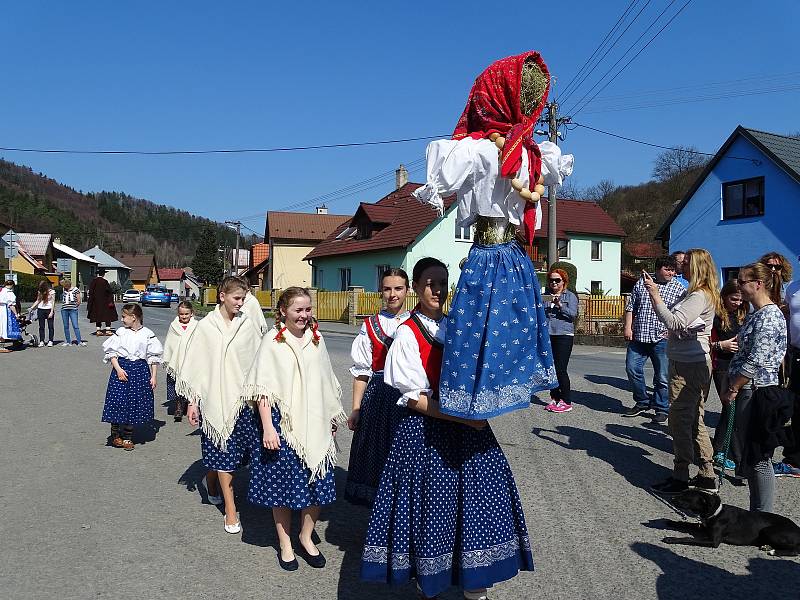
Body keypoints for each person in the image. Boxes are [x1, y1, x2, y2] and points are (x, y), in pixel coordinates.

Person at [413, 50, 572, 420]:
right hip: (508, 256)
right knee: (494, 326)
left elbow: (446, 172)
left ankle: (477, 393)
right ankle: (480, 394)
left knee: (485, 327)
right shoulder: (507, 152)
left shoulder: (518, 152)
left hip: (493, 254)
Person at [361, 258, 533, 600]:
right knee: (434, 515)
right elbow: (413, 400)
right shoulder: (407, 334)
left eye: (442, 282)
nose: (437, 289)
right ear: (416, 288)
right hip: (428, 433)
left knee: (479, 508)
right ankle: (432, 584)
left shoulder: (458, 326)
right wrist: (464, 418)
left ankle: (476, 586)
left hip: (468, 430)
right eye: (429, 283)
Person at [243, 287, 345, 570]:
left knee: (318, 484)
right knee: (283, 487)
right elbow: (262, 389)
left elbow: (325, 381)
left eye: (307, 309)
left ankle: (306, 536)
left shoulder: (317, 339)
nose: (304, 315)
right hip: (281, 423)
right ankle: (285, 543)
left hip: (315, 420)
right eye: (298, 310)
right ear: (283, 312)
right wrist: (267, 428)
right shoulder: (271, 342)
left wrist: (330, 418)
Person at [180, 276, 261, 534]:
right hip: (214, 399)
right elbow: (197, 366)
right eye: (237, 298)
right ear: (222, 295)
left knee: (234, 457)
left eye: (243, 299)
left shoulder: (247, 325)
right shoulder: (206, 327)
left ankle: (211, 480)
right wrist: (193, 401)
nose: (241, 303)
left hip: (242, 402)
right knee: (224, 455)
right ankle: (230, 509)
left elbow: (257, 362)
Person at [645, 249, 722, 495]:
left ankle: (682, 474)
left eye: (686, 263)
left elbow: (675, 322)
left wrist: (655, 295)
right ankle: (706, 473)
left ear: (697, 267)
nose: (681, 267)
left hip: (689, 364)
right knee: (694, 419)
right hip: (690, 361)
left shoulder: (699, 295)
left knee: (679, 420)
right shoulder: (698, 293)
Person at [721, 262, 789, 511]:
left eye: (742, 281)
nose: (738, 285)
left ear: (757, 284)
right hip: (749, 389)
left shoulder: (770, 316)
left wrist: (734, 387)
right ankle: (755, 514)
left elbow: (756, 359)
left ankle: (763, 515)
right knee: (751, 455)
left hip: (758, 391)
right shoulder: (755, 314)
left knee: (760, 457)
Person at [345, 268, 411, 505]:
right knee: (376, 454)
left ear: (407, 290)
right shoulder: (371, 325)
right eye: (387, 289)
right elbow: (362, 371)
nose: (392, 294)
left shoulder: (416, 321)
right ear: (381, 291)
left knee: (406, 456)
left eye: (398, 288)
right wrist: (356, 408)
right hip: (380, 396)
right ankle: (379, 520)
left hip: (410, 397)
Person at [622, 255, 686, 424]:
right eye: (667, 269)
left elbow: (681, 314)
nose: (671, 273)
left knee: (662, 377)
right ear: (658, 269)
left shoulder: (678, 288)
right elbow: (630, 306)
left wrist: (672, 331)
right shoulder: (643, 282)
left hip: (662, 338)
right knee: (632, 369)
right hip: (639, 336)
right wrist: (628, 327)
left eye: (673, 270)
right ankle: (642, 401)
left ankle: (661, 408)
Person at [101, 303, 163, 451]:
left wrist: (154, 376)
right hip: (122, 368)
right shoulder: (121, 332)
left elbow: (153, 356)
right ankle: (116, 435)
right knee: (118, 401)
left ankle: (128, 437)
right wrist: (118, 369)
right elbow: (112, 352)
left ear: (133, 317)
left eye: (124, 316)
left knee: (133, 403)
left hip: (140, 370)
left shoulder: (147, 333)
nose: (122, 320)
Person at [710, 281, 746, 473]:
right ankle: (720, 450)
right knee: (729, 406)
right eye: (734, 299)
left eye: (740, 300)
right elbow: (707, 341)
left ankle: (723, 447)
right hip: (722, 365)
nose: (738, 303)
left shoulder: (743, 314)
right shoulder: (716, 315)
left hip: (739, 366)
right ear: (724, 296)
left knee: (733, 410)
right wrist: (720, 345)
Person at [774, 269, 800, 477]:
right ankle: (794, 460)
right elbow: (788, 315)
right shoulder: (793, 287)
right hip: (796, 352)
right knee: (795, 407)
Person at [543, 267, 579, 413]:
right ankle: (555, 398)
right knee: (550, 369)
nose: (554, 283)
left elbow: (573, 315)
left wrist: (560, 305)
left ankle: (566, 401)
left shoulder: (570, 296)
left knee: (560, 369)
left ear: (564, 282)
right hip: (548, 335)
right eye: (551, 280)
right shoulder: (545, 296)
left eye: (557, 280)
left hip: (564, 335)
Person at [162, 301, 197, 422]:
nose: (184, 316)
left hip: (192, 360)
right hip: (176, 362)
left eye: (186, 314)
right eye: (181, 314)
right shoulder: (174, 326)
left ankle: (191, 405)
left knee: (191, 384)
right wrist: (169, 359)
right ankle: (178, 407)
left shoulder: (196, 326)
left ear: (191, 313)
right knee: (177, 384)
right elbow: (169, 344)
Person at [87, 270, 118, 336]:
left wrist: (90, 303)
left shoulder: (93, 282)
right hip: (105, 303)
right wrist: (111, 302)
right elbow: (109, 292)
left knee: (97, 316)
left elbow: (90, 293)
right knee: (108, 315)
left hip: (95, 303)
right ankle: (108, 330)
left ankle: (98, 330)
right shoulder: (105, 282)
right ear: (103, 274)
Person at [59, 278, 85, 347]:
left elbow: (79, 300)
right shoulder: (64, 289)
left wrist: (75, 306)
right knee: (66, 326)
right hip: (64, 310)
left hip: (73, 310)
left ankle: (79, 341)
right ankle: (68, 341)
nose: (64, 287)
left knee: (75, 326)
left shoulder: (76, 290)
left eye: (65, 286)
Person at [30, 279, 56, 347]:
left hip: (49, 309)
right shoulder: (40, 292)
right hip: (41, 309)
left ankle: (50, 341)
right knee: (41, 326)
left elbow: (53, 302)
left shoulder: (52, 292)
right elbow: (38, 300)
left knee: (50, 326)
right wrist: (32, 307)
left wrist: (51, 312)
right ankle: (42, 341)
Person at [0, 279, 22, 352]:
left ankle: (3, 345)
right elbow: (11, 305)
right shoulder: (9, 293)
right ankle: (2, 347)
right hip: (6, 311)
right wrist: (16, 314)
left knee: (1, 327)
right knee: (5, 327)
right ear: (12, 285)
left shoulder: (1, 290)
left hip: (1, 309)